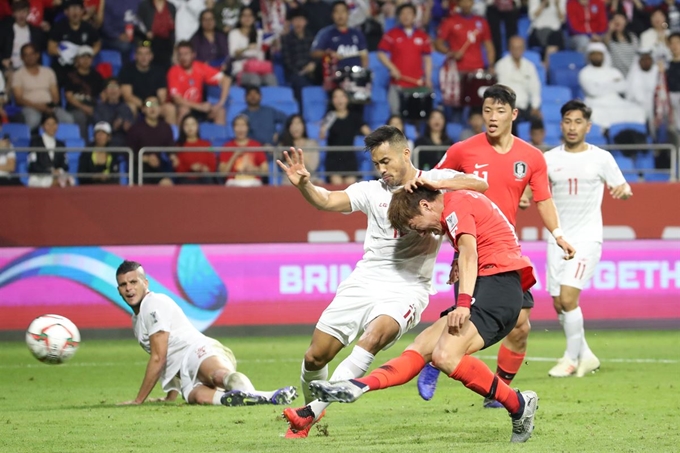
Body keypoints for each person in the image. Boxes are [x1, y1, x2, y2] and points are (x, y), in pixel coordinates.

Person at [275, 125, 488, 439]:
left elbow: (481, 183)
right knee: (315, 356)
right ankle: (310, 414)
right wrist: (305, 185)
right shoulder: (370, 191)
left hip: (408, 289)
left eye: (386, 161)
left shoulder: (434, 182)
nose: (382, 169)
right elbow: (326, 200)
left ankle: (308, 415)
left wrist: (436, 179)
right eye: (377, 164)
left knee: (373, 337)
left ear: (405, 153)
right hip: (365, 281)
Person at [308, 184, 539, 443]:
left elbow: (470, 252)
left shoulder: (456, 204)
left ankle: (518, 404)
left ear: (425, 205)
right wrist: (457, 263)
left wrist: (463, 303)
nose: (420, 231)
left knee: (445, 356)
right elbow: (474, 237)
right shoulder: (458, 203)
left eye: (415, 224)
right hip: (490, 284)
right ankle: (360, 385)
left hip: (498, 285)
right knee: (420, 349)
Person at [418, 84, 576, 407]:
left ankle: (499, 389)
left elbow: (543, 199)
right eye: (487, 110)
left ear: (514, 115)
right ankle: (436, 359)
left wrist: (558, 233)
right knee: (469, 318)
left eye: (500, 111)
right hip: (471, 247)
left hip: (506, 251)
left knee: (521, 325)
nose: (492, 117)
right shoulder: (463, 150)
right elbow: (431, 182)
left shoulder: (531, 157)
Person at [114, 260, 298, 406]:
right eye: (123, 285)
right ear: (119, 290)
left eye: (133, 282)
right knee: (197, 396)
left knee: (218, 376)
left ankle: (267, 396)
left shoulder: (152, 304)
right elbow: (170, 356)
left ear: (145, 283)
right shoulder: (137, 318)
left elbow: (158, 357)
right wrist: (171, 396)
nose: (129, 288)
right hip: (186, 370)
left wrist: (138, 400)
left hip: (198, 350)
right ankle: (239, 399)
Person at [544, 100, 632, 377]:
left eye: (578, 122)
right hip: (557, 239)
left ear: (588, 126)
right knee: (559, 303)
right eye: (568, 121)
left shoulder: (601, 157)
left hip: (586, 238)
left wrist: (624, 190)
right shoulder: (548, 159)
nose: (572, 127)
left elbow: (623, 187)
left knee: (569, 298)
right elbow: (535, 193)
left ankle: (570, 360)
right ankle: (587, 355)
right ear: (561, 125)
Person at [377, 3, 433, 116]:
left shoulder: (422, 36)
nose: (405, 16)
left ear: (414, 16)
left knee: (418, 116)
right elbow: (381, 53)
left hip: (417, 84)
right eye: (402, 13)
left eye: (409, 13)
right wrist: (392, 68)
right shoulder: (391, 34)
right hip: (397, 84)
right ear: (398, 16)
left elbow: (427, 59)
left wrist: (428, 78)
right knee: (396, 116)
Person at [578, 42, 646, 128]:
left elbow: (623, 87)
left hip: (615, 100)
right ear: (589, 56)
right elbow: (593, 91)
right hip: (595, 102)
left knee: (637, 110)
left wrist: (600, 86)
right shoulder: (585, 72)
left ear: (604, 55)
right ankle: (605, 133)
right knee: (595, 112)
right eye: (593, 54)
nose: (596, 57)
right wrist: (613, 84)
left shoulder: (613, 71)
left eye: (599, 54)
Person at [11, 42, 74, 131]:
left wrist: (49, 107)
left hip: (50, 107)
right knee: (33, 120)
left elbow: (55, 96)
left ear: (37, 55)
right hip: (29, 107)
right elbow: (18, 99)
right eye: (26, 55)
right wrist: (38, 106)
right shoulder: (18, 74)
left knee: (68, 119)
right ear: (22, 57)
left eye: (32, 54)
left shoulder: (48, 72)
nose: (30, 57)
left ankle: (58, 144)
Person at [167, 40, 230, 126]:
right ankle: (181, 138)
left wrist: (220, 103)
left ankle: (219, 138)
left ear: (193, 54)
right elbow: (177, 99)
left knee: (220, 111)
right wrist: (199, 106)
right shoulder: (174, 71)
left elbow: (226, 80)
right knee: (184, 110)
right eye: (180, 54)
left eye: (186, 54)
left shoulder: (200, 67)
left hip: (199, 107)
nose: (183, 57)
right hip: (184, 107)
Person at [319, 87, 371, 185]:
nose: (339, 100)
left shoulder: (354, 116)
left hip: (349, 157)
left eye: (342, 96)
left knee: (349, 186)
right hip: (333, 158)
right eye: (335, 97)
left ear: (347, 99)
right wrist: (323, 128)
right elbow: (322, 136)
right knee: (337, 185)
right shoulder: (330, 116)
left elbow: (368, 132)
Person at [311, 1, 369, 85]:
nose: (340, 15)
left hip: (355, 77)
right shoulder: (326, 33)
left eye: (343, 11)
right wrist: (328, 53)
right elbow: (314, 53)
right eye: (337, 12)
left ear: (348, 13)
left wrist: (363, 73)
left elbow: (364, 56)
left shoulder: (357, 34)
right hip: (335, 77)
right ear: (332, 15)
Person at [47, 0, 101, 85]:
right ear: (66, 12)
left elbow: (97, 44)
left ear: (83, 11)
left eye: (78, 9)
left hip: (82, 67)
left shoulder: (89, 28)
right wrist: (65, 54)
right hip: (63, 66)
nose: (75, 13)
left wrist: (87, 55)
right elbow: (51, 48)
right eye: (72, 9)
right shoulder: (59, 27)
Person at [126, 96, 175, 185]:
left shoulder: (166, 128)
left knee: (167, 183)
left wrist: (173, 157)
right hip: (140, 168)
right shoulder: (135, 129)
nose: (152, 107)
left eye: (155, 104)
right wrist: (146, 159)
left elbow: (170, 150)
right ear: (143, 109)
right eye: (149, 104)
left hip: (159, 167)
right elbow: (129, 153)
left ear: (160, 108)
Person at [118, 42, 173, 121]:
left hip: (154, 104)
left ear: (151, 56)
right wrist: (145, 106)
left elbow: (162, 96)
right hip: (137, 105)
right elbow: (127, 96)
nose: (144, 57)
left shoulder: (159, 70)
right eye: (140, 54)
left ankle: (170, 133)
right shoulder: (127, 70)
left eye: (147, 54)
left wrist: (150, 105)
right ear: (135, 56)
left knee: (170, 109)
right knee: (130, 107)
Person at [495, 36, 542, 123]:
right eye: (514, 47)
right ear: (509, 48)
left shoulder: (529, 66)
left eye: (519, 47)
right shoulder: (501, 65)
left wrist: (535, 107)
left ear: (524, 49)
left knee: (538, 120)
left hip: (526, 106)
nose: (517, 50)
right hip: (508, 107)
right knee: (511, 119)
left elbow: (535, 88)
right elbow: (501, 90)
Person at [228, 6, 278, 87]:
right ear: (240, 18)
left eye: (250, 15)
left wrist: (275, 43)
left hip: (259, 68)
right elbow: (233, 54)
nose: (247, 18)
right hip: (241, 70)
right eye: (244, 15)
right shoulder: (234, 33)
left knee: (271, 79)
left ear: (254, 18)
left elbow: (268, 49)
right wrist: (247, 48)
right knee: (254, 79)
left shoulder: (260, 33)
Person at [64, 45, 105, 140]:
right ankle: (85, 146)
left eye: (88, 57)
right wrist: (84, 107)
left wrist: (100, 107)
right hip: (75, 108)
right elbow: (69, 97)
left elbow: (103, 95)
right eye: (83, 57)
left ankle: (101, 144)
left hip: (93, 107)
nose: (86, 60)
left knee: (101, 116)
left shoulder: (97, 76)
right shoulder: (70, 75)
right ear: (77, 59)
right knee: (81, 118)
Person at [218, 114, 268, 186]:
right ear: (233, 128)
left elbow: (265, 170)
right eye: (237, 125)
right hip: (233, 181)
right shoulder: (227, 147)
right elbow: (222, 173)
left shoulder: (256, 145)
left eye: (243, 125)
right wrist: (234, 156)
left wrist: (254, 169)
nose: (240, 129)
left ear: (248, 128)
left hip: (253, 181)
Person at [281, 9, 317, 105]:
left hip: (312, 70)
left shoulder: (312, 37)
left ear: (306, 22)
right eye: (296, 20)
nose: (298, 23)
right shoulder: (286, 39)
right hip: (295, 72)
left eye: (301, 20)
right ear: (292, 22)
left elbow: (316, 55)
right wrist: (301, 71)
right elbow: (287, 61)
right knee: (300, 82)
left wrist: (313, 65)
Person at [27, 113, 72, 188]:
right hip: (39, 177)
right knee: (56, 183)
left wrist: (59, 171)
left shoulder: (61, 144)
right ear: (42, 126)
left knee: (69, 181)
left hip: (58, 176)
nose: (52, 127)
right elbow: (33, 165)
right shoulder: (35, 142)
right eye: (48, 124)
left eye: (54, 124)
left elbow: (65, 165)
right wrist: (50, 172)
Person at [171, 113, 217, 184]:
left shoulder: (207, 145)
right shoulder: (178, 146)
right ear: (182, 128)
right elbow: (178, 169)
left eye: (193, 124)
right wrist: (190, 168)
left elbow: (213, 164)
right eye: (187, 125)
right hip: (186, 180)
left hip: (204, 178)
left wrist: (204, 168)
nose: (190, 127)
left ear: (197, 126)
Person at [0, 0, 45, 72]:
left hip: (29, 68)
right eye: (18, 12)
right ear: (13, 13)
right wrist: (2, 60)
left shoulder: (36, 32)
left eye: (24, 11)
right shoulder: (5, 29)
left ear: (28, 12)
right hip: (9, 68)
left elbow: (39, 53)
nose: (21, 15)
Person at [277, 114, 321, 183]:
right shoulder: (283, 146)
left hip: (309, 178)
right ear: (288, 128)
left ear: (303, 126)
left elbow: (313, 167)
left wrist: (300, 158)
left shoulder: (312, 144)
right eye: (292, 124)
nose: (295, 127)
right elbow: (283, 167)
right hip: (290, 180)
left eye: (298, 123)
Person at [135, 0, 176, 71]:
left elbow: (173, 30)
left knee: (167, 55)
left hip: (166, 42)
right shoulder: (145, 5)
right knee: (150, 48)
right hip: (147, 41)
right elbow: (137, 23)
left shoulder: (171, 7)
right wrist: (146, 33)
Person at [93, 78, 135, 146]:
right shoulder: (99, 108)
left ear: (120, 91)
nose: (113, 90)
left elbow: (132, 126)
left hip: (124, 141)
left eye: (115, 87)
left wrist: (128, 128)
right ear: (105, 91)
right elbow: (98, 127)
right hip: (106, 142)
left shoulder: (126, 108)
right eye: (110, 87)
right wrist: (113, 127)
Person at [604, 13, 640, 77]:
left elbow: (637, 54)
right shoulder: (609, 38)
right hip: (616, 75)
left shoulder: (632, 37)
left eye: (620, 18)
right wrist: (610, 30)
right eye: (615, 19)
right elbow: (604, 44)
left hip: (632, 73)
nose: (617, 20)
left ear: (625, 22)